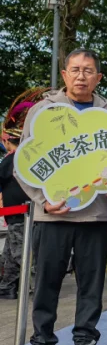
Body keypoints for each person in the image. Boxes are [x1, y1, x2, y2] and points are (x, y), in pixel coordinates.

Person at [20, 49, 107, 345]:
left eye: (88, 71)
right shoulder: (43, 111)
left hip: (94, 215)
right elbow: (24, 165)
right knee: (47, 283)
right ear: (64, 75)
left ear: (98, 78)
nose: (81, 76)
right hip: (51, 214)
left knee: (91, 285)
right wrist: (41, 200)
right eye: (75, 70)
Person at [0, 102, 34, 299]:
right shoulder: (24, 156)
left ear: (7, 141)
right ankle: (7, 285)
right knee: (11, 252)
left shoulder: (12, 158)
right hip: (19, 213)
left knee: (20, 252)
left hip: (19, 213)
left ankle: (33, 284)